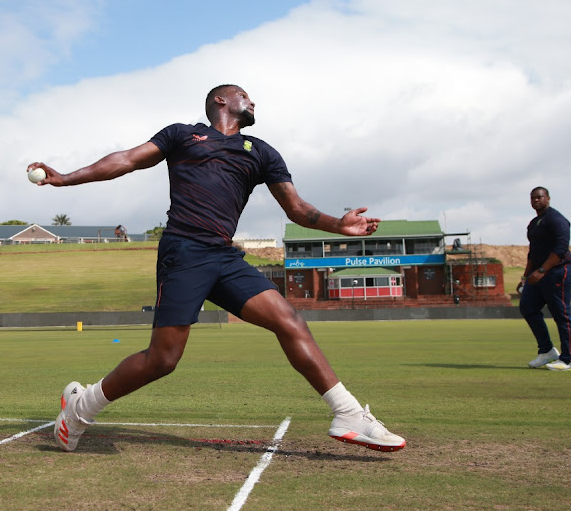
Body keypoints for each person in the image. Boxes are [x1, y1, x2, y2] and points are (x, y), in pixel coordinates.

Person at [28, 84, 406, 453]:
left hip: (224, 257)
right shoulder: (182, 135)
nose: (252, 100)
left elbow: (297, 209)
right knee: (162, 360)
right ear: (220, 100)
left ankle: (348, 414)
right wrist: (66, 177)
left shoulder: (261, 152)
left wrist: (338, 225)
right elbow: (125, 160)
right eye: (245, 94)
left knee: (289, 320)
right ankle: (80, 408)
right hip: (184, 251)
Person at [517, 187, 571, 371]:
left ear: (548, 198)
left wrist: (542, 270)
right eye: (532, 198)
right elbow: (533, 252)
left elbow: (560, 249)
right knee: (527, 307)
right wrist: (525, 276)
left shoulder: (556, 219)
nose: (535, 200)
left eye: (539, 197)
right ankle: (547, 351)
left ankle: (570, 360)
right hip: (538, 273)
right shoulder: (534, 223)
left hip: (558, 270)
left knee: (561, 314)